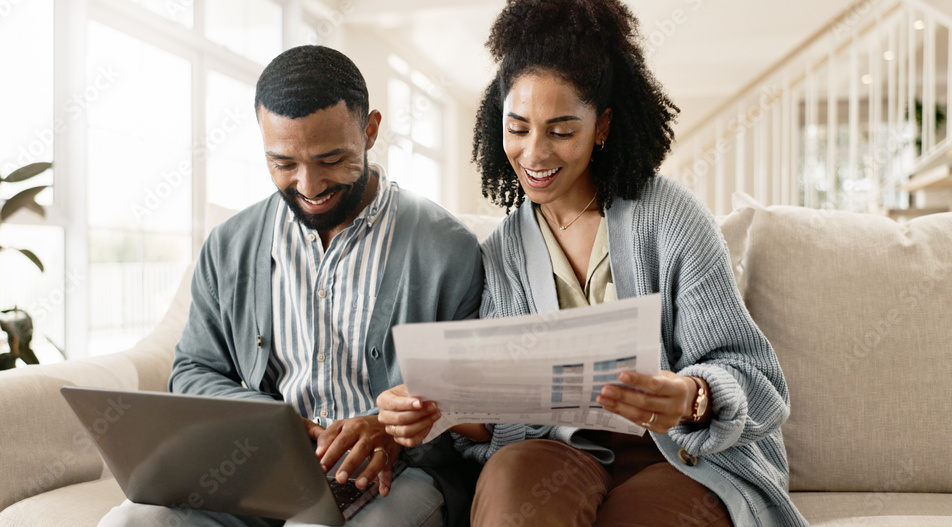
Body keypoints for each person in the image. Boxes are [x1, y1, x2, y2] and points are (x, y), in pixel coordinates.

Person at [376, 1, 809, 525]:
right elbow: (509, 419)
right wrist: (440, 411)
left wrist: (690, 397)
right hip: (563, 453)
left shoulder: (669, 218)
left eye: (561, 131)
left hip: (683, 456)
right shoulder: (502, 253)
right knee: (512, 497)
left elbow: (756, 378)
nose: (534, 154)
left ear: (601, 126)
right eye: (518, 128)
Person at [99, 45, 484, 527]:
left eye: (332, 159)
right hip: (260, 467)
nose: (309, 185)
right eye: (283, 163)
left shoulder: (448, 249)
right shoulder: (229, 245)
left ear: (370, 130)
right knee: (132, 522)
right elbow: (194, 368)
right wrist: (272, 426)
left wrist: (386, 427)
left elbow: (477, 394)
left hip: (397, 473)